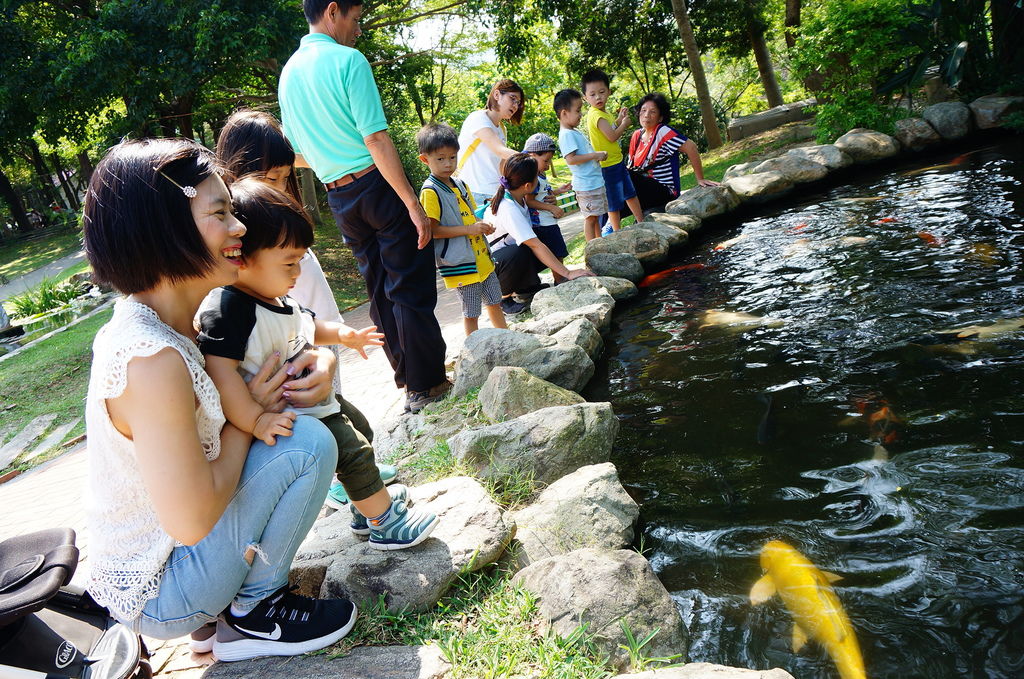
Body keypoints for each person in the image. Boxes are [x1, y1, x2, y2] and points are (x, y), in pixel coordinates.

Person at [81, 138, 356, 661]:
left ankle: (225, 615)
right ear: (165, 229)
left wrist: (320, 363)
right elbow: (191, 520)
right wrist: (244, 416)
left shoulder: (181, 316)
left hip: (179, 561)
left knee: (287, 428)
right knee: (308, 444)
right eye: (221, 213)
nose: (240, 228)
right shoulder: (150, 359)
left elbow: (288, 341)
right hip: (165, 591)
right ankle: (254, 611)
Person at [197, 177, 439, 553]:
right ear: (241, 258)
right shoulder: (229, 309)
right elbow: (220, 371)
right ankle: (384, 523)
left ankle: (363, 508)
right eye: (289, 262)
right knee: (352, 450)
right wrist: (256, 419)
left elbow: (310, 325)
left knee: (360, 428)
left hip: (312, 402)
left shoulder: (279, 299)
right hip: (289, 416)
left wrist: (345, 336)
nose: (297, 273)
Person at [215, 108, 397, 510]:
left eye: (284, 178)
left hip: (314, 336)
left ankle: (352, 476)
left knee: (344, 411)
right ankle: (353, 491)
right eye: (267, 179)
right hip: (294, 361)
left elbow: (304, 308)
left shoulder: (280, 227)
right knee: (334, 425)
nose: (279, 188)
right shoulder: (244, 255)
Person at [278, 0, 449, 414]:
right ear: (333, 11)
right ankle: (428, 382)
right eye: (355, 19)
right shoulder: (348, 61)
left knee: (379, 286)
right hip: (376, 184)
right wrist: (411, 201)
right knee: (408, 280)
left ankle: (408, 378)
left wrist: (328, 158)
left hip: (339, 195)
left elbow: (295, 153)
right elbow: (375, 139)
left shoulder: (288, 75)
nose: (358, 30)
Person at [416, 123, 508, 334]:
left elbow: (472, 216)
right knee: (472, 312)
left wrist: (482, 226)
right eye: (440, 158)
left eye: (452, 157)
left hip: (482, 257)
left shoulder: (460, 184)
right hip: (460, 263)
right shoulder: (430, 191)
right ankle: (473, 351)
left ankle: (507, 338)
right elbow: (434, 231)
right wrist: (469, 230)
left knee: (495, 301)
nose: (448, 163)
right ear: (425, 159)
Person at [488, 153, 594, 311]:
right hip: (495, 266)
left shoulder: (518, 197)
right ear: (527, 186)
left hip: (504, 259)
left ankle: (525, 288)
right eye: (537, 177)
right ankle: (504, 299)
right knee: (521, 250)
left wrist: (555, 194)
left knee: (542, 239)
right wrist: (568, 273)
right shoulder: (508, 208)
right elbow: (535, 245)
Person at [626, 92, 719, 213]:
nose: (646, 115)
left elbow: (691, 147)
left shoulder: (662, 131)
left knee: (621, 174)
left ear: (660, 117)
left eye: (652, 112)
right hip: (644, 191)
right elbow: (631, 166)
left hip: (664, 191)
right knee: (610, 182)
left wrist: (700, 179)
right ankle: (609, 224)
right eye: (643, 110)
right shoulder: (637, 135)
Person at [581, 69, 644, 235]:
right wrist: (625, 124)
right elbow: (611, 136)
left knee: (630, 193)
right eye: (593, 94)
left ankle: (641, 221)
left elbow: (611, 128)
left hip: (616, 161)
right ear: (585, 97)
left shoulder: (603, 113)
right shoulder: (596, 115)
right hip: (608, 165)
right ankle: (617, 233)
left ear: (608, 91)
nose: (598, 97)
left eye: (602, 92)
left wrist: (619, 120)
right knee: (613, 202)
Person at [457, 79, 525, 207]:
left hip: (496, 193)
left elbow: (501, 164)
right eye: (512, 98)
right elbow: (499, 150)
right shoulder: (478, 118)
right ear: (497, 95)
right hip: (475, 193)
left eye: (518, 102)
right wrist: (528, 159)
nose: (515, 105)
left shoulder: (502, 129)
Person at [554, 88, 608, 241]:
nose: (581, 114)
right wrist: (595, 155)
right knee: (590, 218)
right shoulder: (566, 135)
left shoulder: (573, 131)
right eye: (578, 110)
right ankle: (592, 248)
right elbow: (571, 159)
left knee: (596, 216)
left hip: (593, 182)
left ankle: (599, 242)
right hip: (586, 185)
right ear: (564, 113)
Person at [522, 133, 571, 285]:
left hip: (548, 221)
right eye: (545, 160)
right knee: (555, 251)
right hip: (542, 223)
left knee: (558, 251)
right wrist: (550, 208)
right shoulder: (532, 177)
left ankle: (560, 277)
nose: (548, 165)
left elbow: (542, 194)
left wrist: (558, 191)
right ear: (532, 155)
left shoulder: (540, 174)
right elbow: (530, 201)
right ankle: (559, 279)